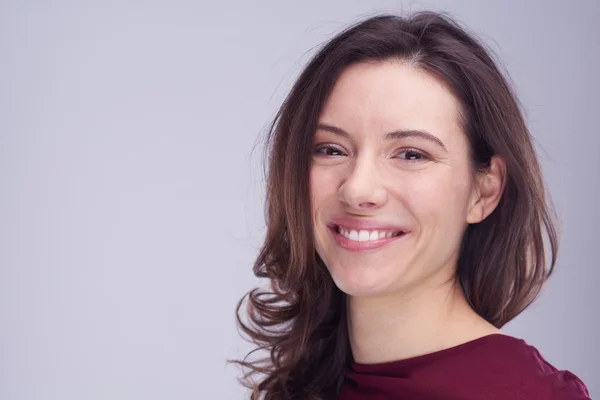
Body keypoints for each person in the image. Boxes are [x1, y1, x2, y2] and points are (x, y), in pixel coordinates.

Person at [232, 11, 591, 400]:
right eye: (331, 149)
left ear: (484, 192)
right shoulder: (308, 380)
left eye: (411, 155)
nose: (358, 189)